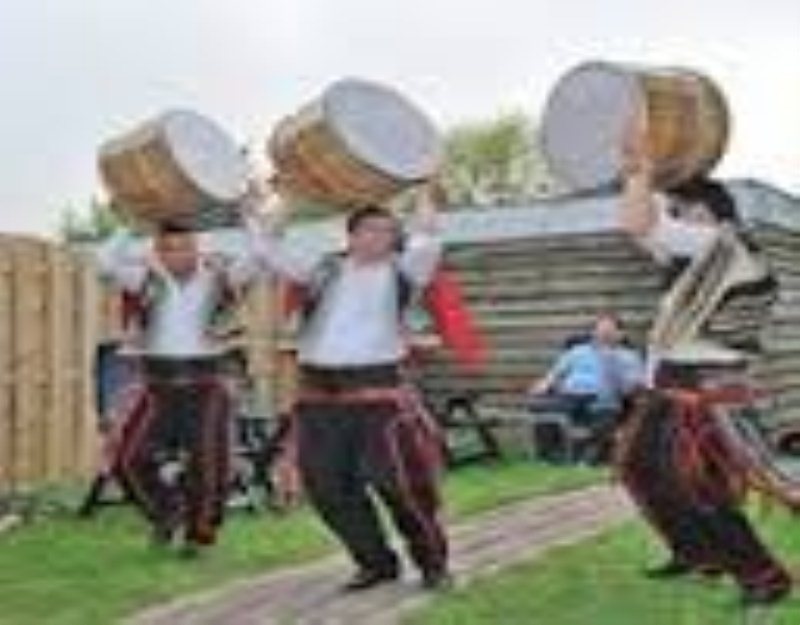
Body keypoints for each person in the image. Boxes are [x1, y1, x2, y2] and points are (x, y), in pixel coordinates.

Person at [614, 111, 798, 605]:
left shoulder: (726, 247)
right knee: (641, 469)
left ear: (715, 217)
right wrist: (645, 170)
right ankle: (697, 553)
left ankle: (764, 577)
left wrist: (640, 169)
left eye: (685, 212)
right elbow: (643, 228)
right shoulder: (697, 260)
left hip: (703, 395)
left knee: (700, 488)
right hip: (667, 389)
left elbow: (641, 222)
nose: (675, 221)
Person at [247, 177, 451, 592]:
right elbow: (269, 247)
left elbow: (427, 239)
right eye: (371, 230)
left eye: (389, 232)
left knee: (400, 484)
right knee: (326, 486)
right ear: (352, 235)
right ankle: (375, 563)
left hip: (380, 395)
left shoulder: (404, 271)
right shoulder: (322, 269)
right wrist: (281, 200)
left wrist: (426, 195)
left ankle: (433, 565)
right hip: (319, 396)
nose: (380, 238)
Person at [96, 219, 259, 555]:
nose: (177, 255)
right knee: (128, 460)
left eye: (184, 247)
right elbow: (105, 262)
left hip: (207, 386)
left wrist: (249, 220)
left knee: (210, 467)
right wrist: (128, 221)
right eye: (168, 249)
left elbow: (259, 256)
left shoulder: (221, 278)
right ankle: (169, 513)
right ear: (158, 252)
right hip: (158, 387)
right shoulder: (145, 280)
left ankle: (200, 538)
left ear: (197, 248)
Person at [529, 314, 644, 463]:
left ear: (620, 334)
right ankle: (550, 456)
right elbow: (555, 373)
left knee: (606, 416)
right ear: (593, 333)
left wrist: (617, 371)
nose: (604, 334)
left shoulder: (629, 356)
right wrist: (544, 384)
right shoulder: (577, 351)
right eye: (600, 330)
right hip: (570, 396)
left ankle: (590, 458)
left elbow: (633, 385)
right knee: (540, 407)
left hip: (603, 398)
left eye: (609, 330)